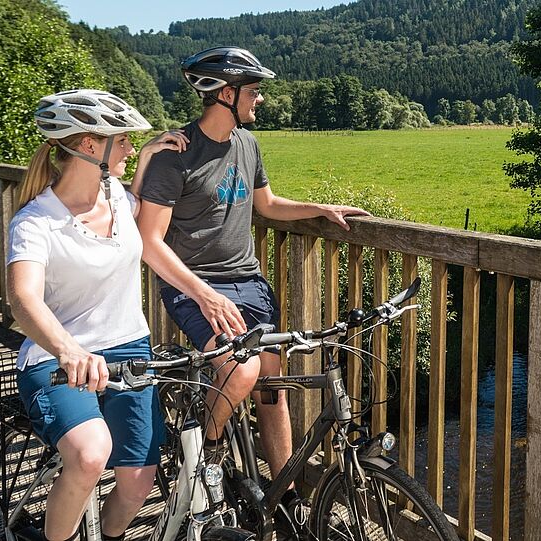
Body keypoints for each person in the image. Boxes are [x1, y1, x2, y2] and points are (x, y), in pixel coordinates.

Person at [133, 46, 369, 531]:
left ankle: (283, 498)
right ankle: (207, 448)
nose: (259, 99)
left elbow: (268, 204)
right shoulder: (174, 157)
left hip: (249, 284)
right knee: (238, 374)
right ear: (226, 92)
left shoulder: (247, 143)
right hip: (194, 287)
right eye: (253, 90)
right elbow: (149, 243)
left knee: (272, 389)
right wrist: (202, 293)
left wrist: (321, 209)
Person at [7, 89, 187, 541]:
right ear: (89, 146)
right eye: (121, 139)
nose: (127, 146)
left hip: (129, 348)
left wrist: (143, 158)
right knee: (91, 455)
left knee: (138, 480)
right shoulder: (35, 221)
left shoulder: (120, 200)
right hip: (57, 359)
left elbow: (142, 216)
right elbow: (23, 298)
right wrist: (69, 351)